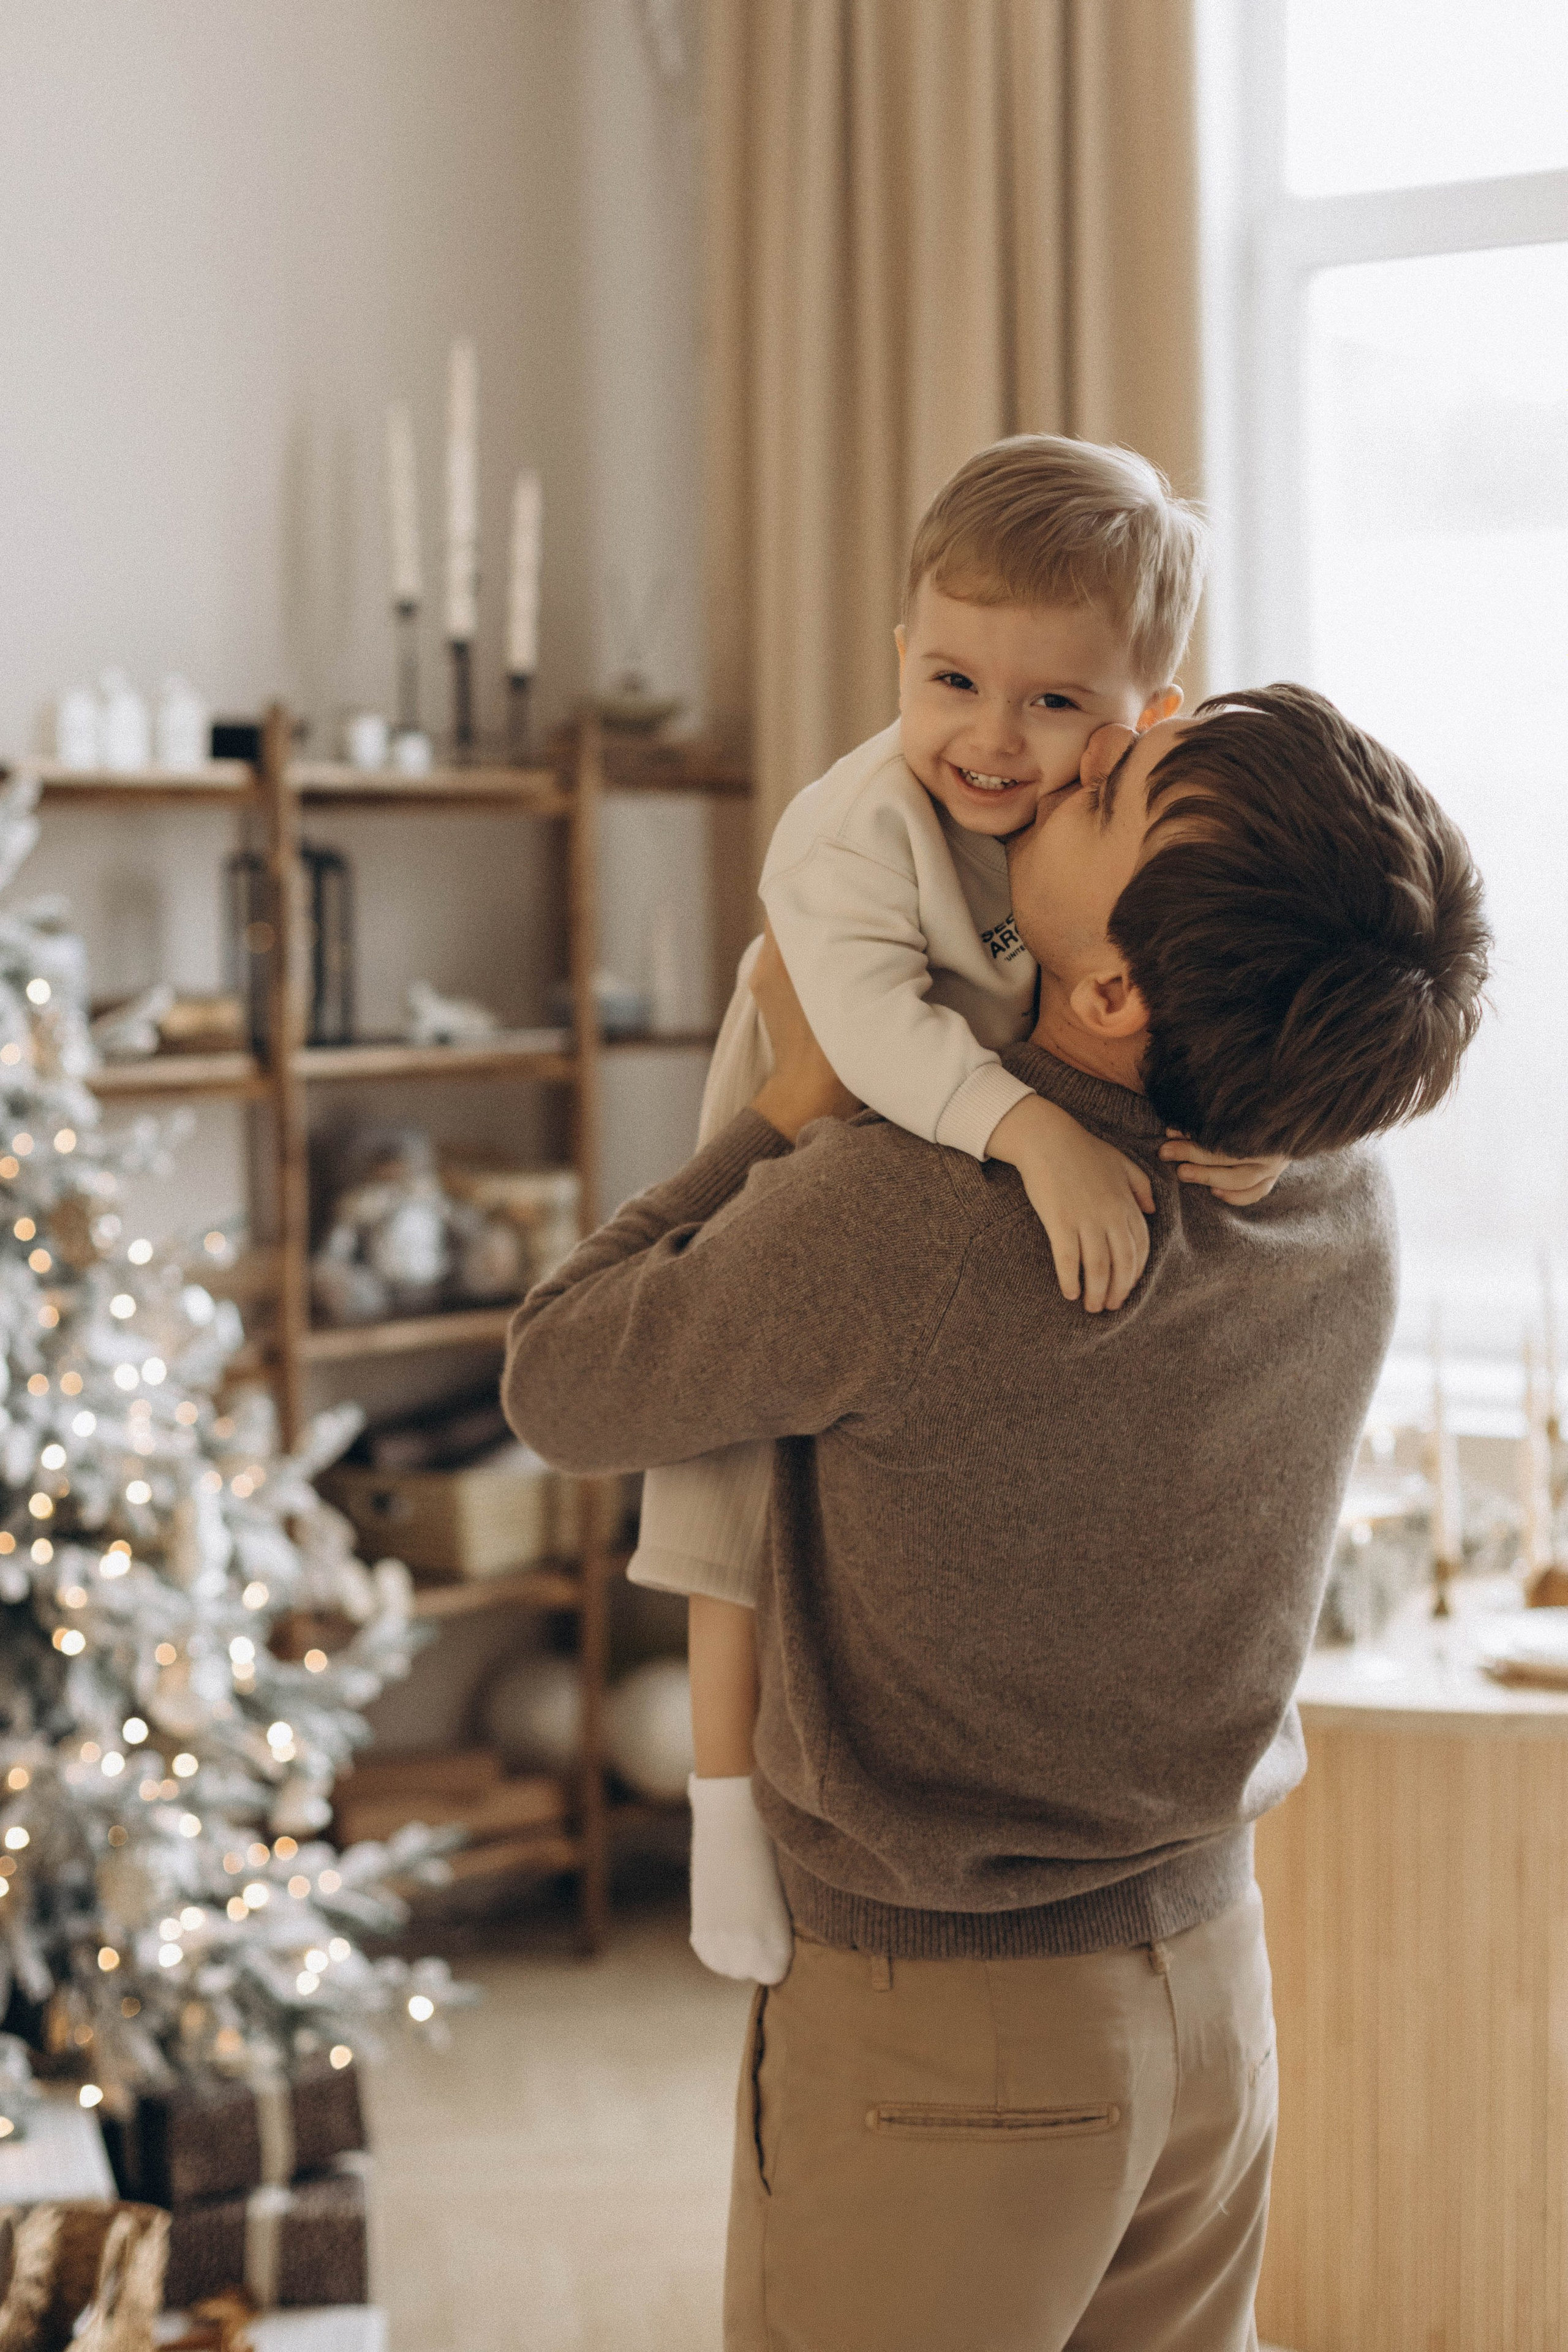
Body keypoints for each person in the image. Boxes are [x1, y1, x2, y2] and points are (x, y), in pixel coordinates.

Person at [502, 682, 1488, 2351]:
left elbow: (561, 1377)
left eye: (1107, 793)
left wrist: (791, 1108)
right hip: (1212, 1996)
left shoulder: (911, 1216)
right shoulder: (1340, 1194)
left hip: (949, 2043)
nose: (1081, 752)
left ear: (1113, 990)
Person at [630, 437, 1283, 1983]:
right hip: (821, 1100)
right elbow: (864, 1028)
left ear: (1146, 718)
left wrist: (1240, 1123)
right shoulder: (853, 825)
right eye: (949, 682)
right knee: (726, 1475)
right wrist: (1034, 1135)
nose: (991, 741)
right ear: (899, 659)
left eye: (1054, 704)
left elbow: (1179, 976)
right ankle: (722, 1802)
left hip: (981, 1134)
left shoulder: (1135, 816)